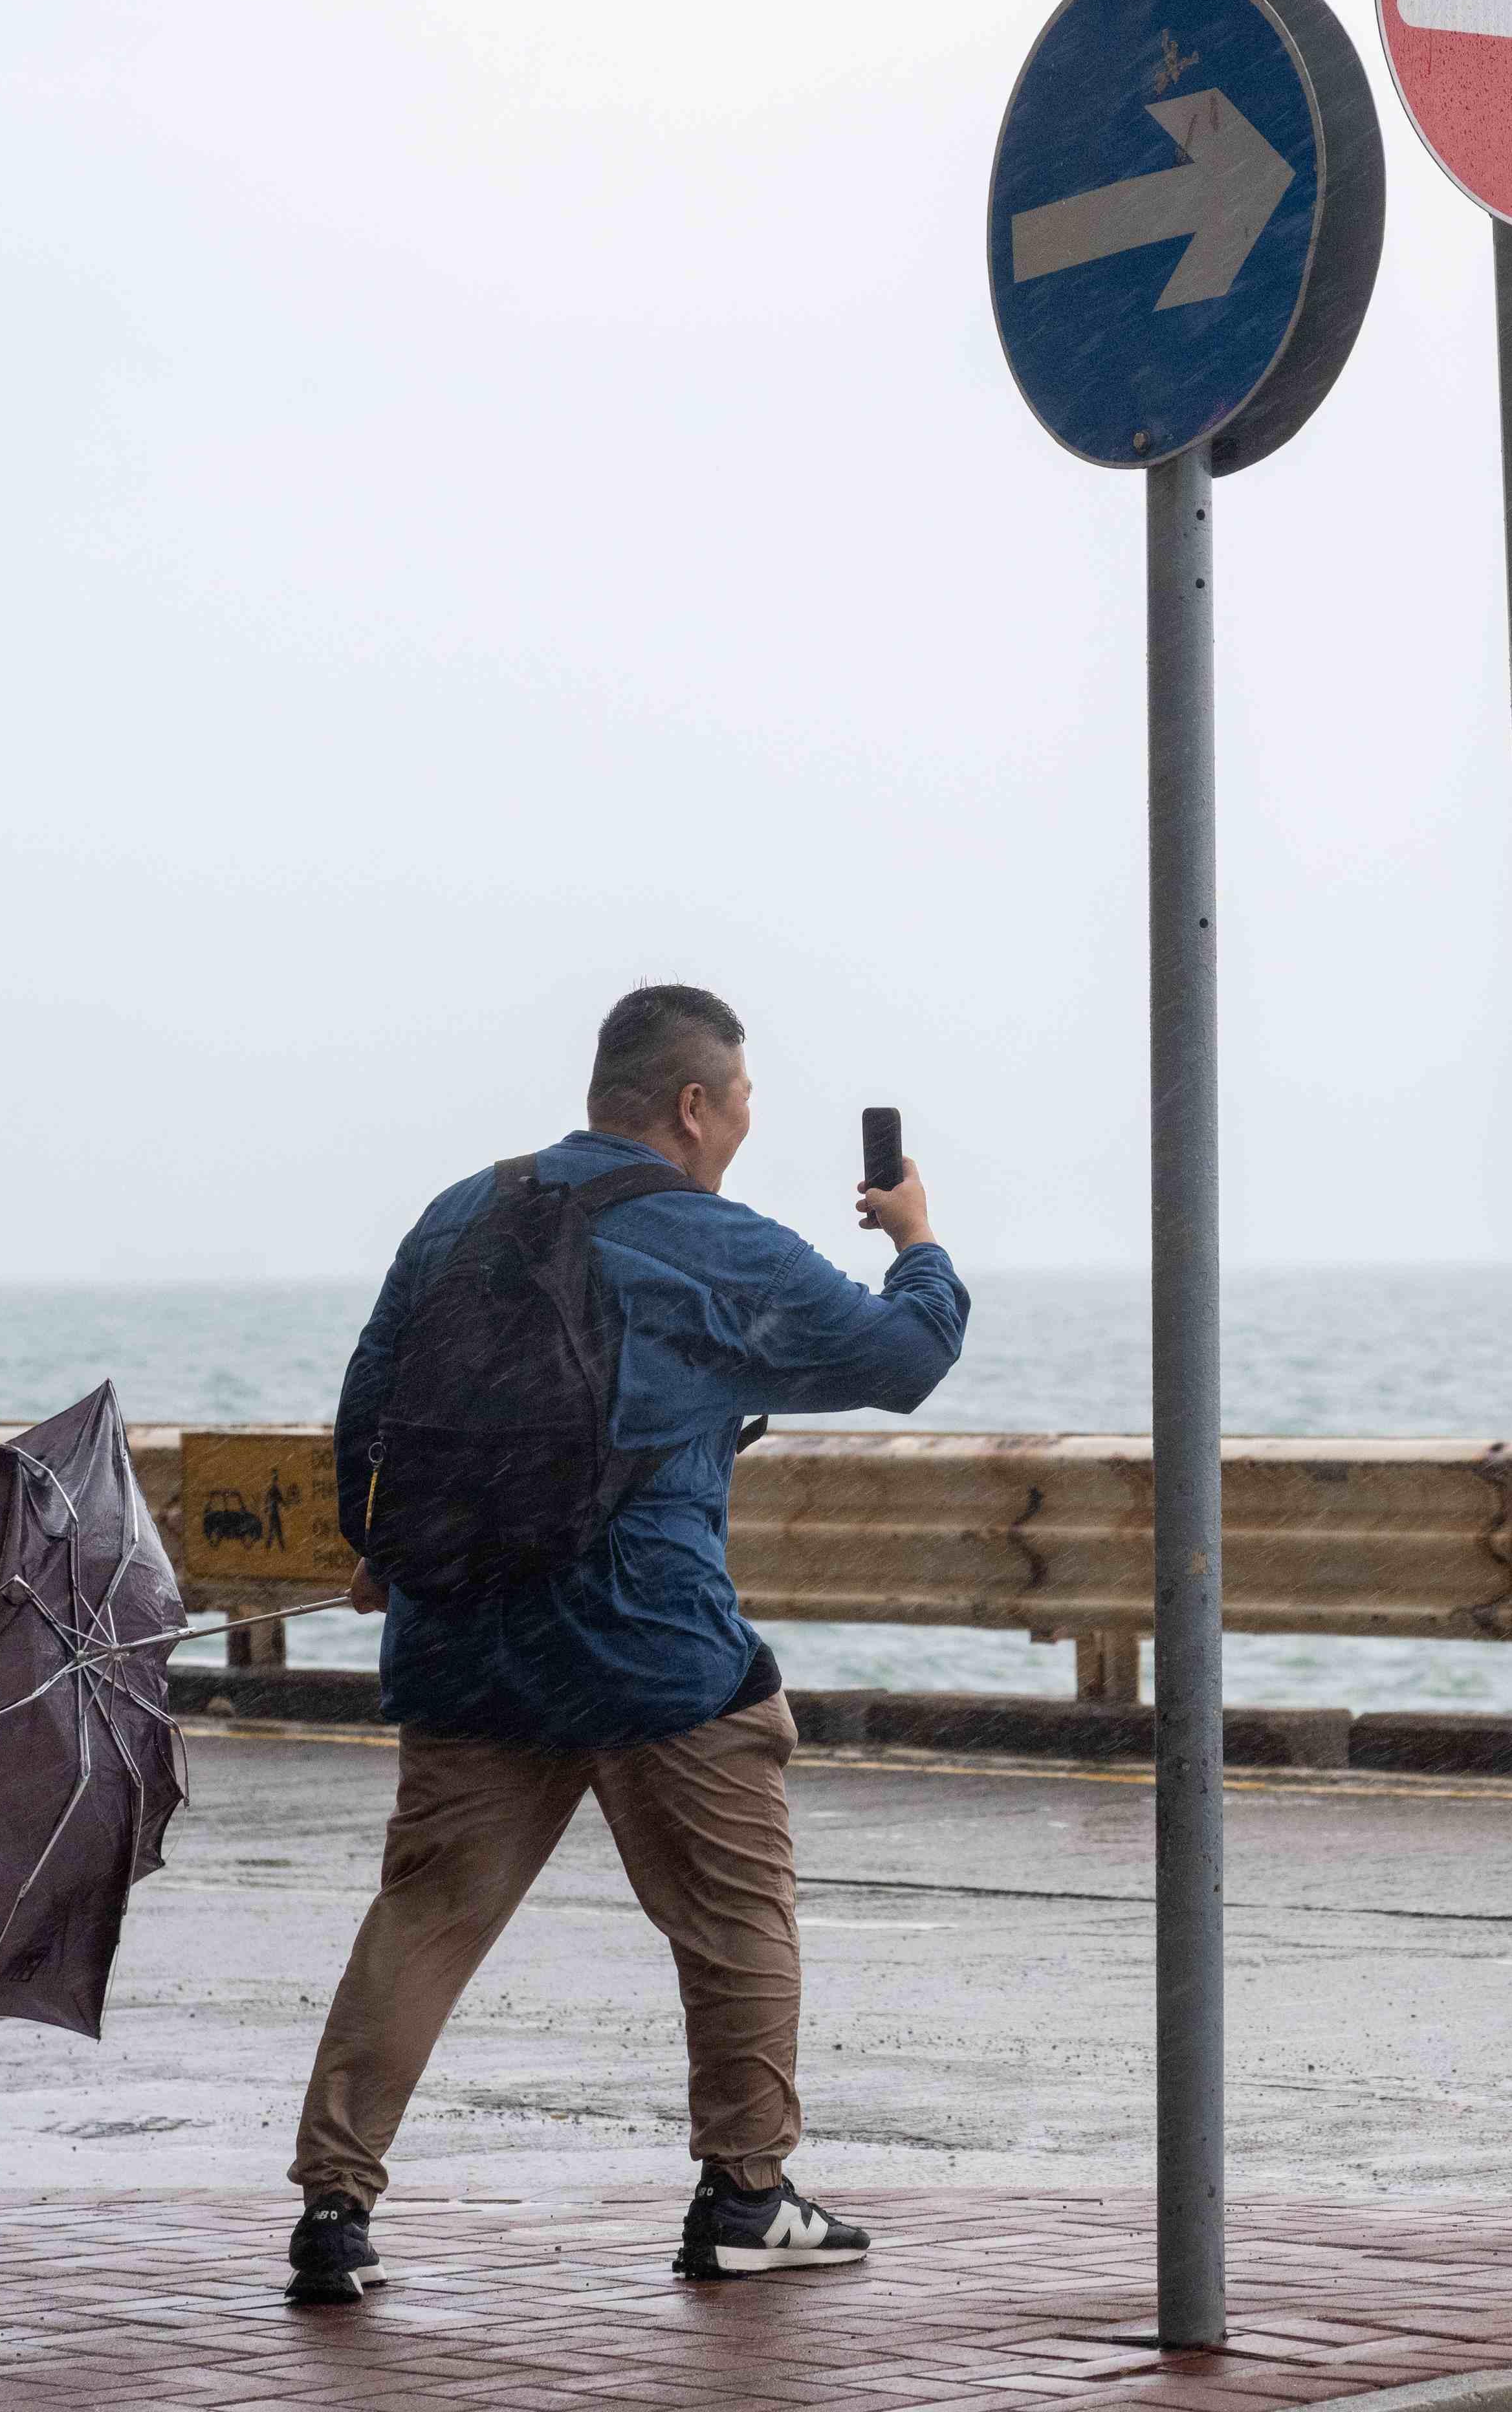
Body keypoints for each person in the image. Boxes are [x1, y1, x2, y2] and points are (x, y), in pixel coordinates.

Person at [283, 985, 967, 2303]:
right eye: (744, 1106)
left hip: (466, 1628)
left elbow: (369, 1396)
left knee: (426, 1914)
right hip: (646, 1637)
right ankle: (745, 2195)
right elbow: (904, 1354)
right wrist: (917, 1236)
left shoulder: (459, 1212)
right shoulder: (712, 1241)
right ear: (696, 1105)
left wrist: (381, 1548)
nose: (744, 1132)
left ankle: (333, 2206)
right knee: (733, 1914)